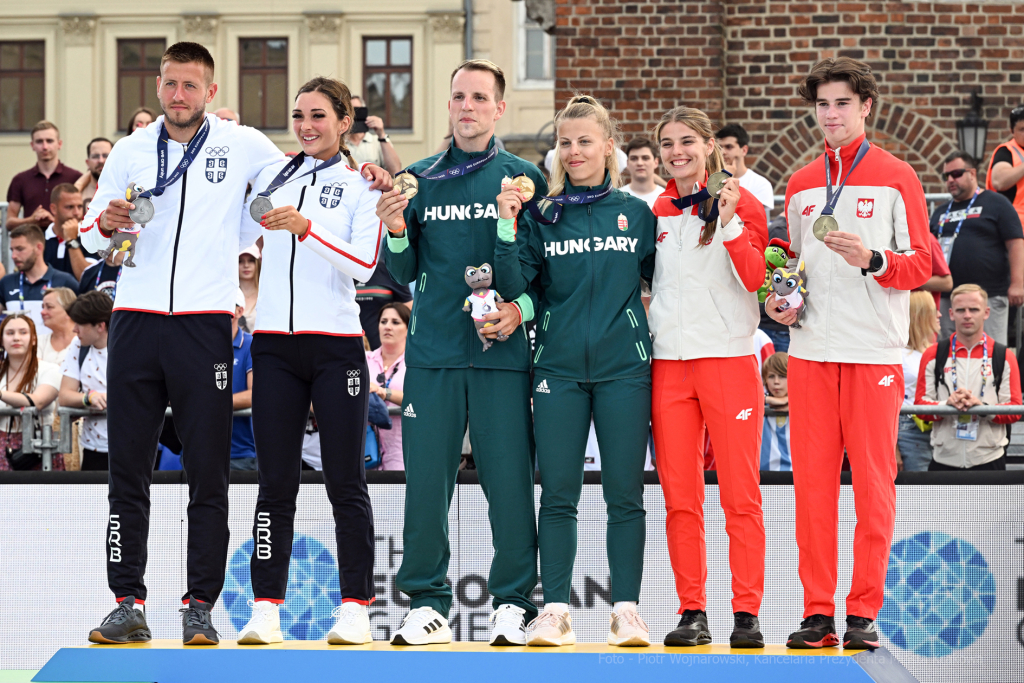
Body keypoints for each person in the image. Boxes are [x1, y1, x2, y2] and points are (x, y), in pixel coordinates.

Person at [78, 41, 388, 647]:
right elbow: (91, 235)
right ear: (158, 85)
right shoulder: (129, 151)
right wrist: (104, 226)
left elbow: (313, 168)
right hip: (135, 320)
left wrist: (370, 170)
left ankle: (201, 606)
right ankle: (126, 600)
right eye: (169, 84)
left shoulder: (243, 145)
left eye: (191, 86)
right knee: (127, 472)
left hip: (205, 323)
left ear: (211, 92)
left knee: (210, 475)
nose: (178, 95)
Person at [376, 59, 547, 647]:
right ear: (447, 106)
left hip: (502, 356)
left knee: (509, 483)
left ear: (499, 107)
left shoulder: (525, 177)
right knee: (426, 484)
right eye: (458, 97)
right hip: (435, 355)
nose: (467, 106)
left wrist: (519, 312)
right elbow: (401, 270)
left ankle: (513, 604)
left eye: (479, 97)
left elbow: (543, 275)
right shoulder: (419, 179)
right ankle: (427, 604)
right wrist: (396, 227)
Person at [766, 57, 931, 650]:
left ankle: (862, 614)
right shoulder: (802, 181)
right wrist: (780, 300)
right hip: (810, 352)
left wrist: (875, 260)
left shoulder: (898, 176)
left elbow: (925, 264)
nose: (831, 115)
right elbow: (790, 266)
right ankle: (817, 613)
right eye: (822, 105)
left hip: (872, 354)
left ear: (865, 107)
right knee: (812, 490)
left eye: (841, 103)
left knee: (873, 487)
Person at [494, 94, 656, 647]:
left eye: (585, 140)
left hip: (624, 371)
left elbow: (666, 285)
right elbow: (520, 289)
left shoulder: (637, 213)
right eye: (565, 142)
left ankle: (626, 612)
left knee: (623, 494)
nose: (574, 150)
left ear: (608, 146)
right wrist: (508, 226)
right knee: (558, 493)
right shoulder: (543, 214)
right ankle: (555, 610)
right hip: (557, 369)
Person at [235, 76, 382, 646]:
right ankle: (266, 606)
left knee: (346, 481)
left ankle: (354, 607)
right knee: (275, 483)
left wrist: (306, 228)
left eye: (319, 115)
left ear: (345, 122)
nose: (306, 126)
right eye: (299, 115)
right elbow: (241, 238)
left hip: (335, 344)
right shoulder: (273, 176)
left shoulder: (360, 184)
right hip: (272, 344)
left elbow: (364, 265)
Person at [649, 106, 769, 649]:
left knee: (740, 496)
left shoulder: (746, 202)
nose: (678, 152)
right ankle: (692, 609)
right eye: (668, 143)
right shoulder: (656, 208)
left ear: (709, 147)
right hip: (670, 365)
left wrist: (728, 219)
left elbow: (755, 277)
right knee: (680, 496)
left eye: (687, 142)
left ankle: (746, 614)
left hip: (727, 361)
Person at [916, 284, 1021, 470]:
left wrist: (982, 409)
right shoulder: (933, 354)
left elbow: (1014, 409)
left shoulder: (1004, 355)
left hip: (989, 458)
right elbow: (920, 407)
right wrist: (946, 405)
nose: (967, 315)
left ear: (986, 312)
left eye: (973, 309)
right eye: (960, 310)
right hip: (944, 459)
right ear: (950, 313)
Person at [932, 151, 1024, 345]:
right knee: (950, 356)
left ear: (972, 174)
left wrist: (1018, 283)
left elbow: (1016, 242)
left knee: (991, 354)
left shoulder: (997, 203)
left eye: (956, 173)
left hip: (988, 295)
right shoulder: (940, 212)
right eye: (946, 176)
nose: (950, 179)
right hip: (949, 298)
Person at [0, 314, 63, 471]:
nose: (16, 338)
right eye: (10, 333)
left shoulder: (50, 370)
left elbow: (38, 401)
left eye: (23, 332)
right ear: (1, 340)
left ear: (34, 339)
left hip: (40, 447)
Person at [58, 291, 113, 471]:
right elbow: (65, 396)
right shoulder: (78, 345)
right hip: (93, 449)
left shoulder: (131, 344)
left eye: (80, 324)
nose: (75, 329)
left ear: (100, 326)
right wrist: (89, 397)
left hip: (135, 448)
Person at [6, 121, 82, 231]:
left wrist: (54, 220)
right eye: (39, 141)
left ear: (59, 144)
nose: (45, 147)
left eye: (49, 141)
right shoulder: (20, 180)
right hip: (31, 244)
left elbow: (85, 220)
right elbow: (9, 222)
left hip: (65, 244)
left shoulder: (76, 177)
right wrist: (32, 220)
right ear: (32, 145)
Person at [0, 224, 80, 328]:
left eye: (20, 249)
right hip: (19, 343)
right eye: (12, 250)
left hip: (53, 344)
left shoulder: (65, 281)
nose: (13, 256)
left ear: (39, 248)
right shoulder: (6, 282)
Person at [897, 291, 940, 472]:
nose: (940, 314)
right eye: (933, 310)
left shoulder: (935, 351)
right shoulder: (898, 355)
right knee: (916, 492)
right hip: (906, 429)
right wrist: (893, 447)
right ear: (919, 316)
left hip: (936, 427)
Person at [366, 302, 408, 470]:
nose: (387, 327)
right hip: (365, 452)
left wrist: (384, 392)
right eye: (383, 322)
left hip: (402, 453)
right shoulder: (363, 360)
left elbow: (424, 402)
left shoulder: (417, 364)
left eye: (395, 322)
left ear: (408, 328)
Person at [717, 123, 775, 222]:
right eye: (719, 147)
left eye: (729, 147)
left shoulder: (761, 184)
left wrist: (726, 177)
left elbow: (751, 217)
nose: (723, 152)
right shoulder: (711, 179)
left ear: (744, 150)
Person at [45, 183, 96, 280]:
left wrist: (71, 240)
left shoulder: (90, 238)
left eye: (80, 207)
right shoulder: (40, 239)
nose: (77, 213)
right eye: (70, 207)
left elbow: (87, 278)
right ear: (53, 209)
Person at [355, 263, 412, 349]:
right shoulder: (338, 272)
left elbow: (409, 316)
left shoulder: (392, 272)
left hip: (384, 351)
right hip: (346, 348)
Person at [228, 288, 255, 471]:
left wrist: (209, 403)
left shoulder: (251, 343)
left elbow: (255, 394)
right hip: (199, 450)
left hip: (241, 454)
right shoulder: (198, 345)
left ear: (239, 311)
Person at [986, 104, 1024, 226]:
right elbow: (999, 181)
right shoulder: (1006, 151)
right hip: (1015, 223)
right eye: (1022, 129)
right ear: (1012, 131)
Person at [348, 95, 403, 174]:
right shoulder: (338, 144)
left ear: (364, 113)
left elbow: (395, 171)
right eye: (349, 111)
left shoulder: (377, 141)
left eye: (357, 111)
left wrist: (381, 134)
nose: (353, 115)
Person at [760, 352, 791, 472]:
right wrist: (765, 399)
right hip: (764, 477)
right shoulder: (757, 404)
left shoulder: (805, 405)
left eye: (782, 376)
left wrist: (792, 402)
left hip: (794, 477)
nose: (776, 382)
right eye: (771, 376)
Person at [620, 137, 665, 208]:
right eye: (634, 158)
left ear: (656, 162)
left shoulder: (666, 199)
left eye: (645, 158)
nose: (640, 163)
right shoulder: (618, 198)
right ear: (627, 163)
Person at [38, 287, 77, 366]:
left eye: (49, 307)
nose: (42, 312)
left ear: (68, 310)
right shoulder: (39, 341)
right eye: (43, 307)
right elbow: (35, 371)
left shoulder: (84, 342)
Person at [74, 138, 114, 208]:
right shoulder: (78, 193)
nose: (101, 160)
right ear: (87, 163)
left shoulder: (124, 190)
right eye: (95, 156)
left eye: (106, 156)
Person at [238, 245, 260, 334]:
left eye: (251, 261)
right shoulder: (228, 295)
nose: (246, 265)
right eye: (240, 261)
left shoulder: (265, 295)